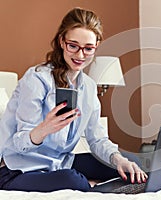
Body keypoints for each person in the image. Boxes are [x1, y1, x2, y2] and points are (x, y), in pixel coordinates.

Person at [0, 7, 147, 192]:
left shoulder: (89, 86)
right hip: (18, 169)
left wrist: (119, 160)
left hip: (61, 162)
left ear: (96, 45)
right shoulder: (36, 79)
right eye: (73, 46)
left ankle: (94, 182)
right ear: (62, 41)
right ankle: (89, 185)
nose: (80, 55)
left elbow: (97, 139)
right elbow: (19, 143)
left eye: (88, 48)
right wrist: (44, 129)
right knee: (74, 181)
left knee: (132, 164)